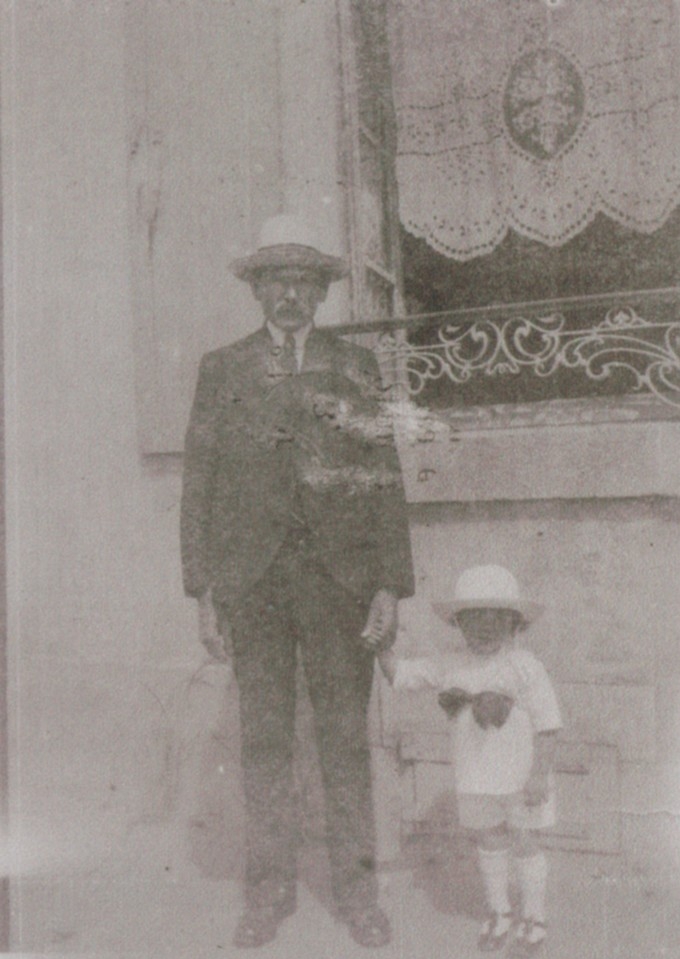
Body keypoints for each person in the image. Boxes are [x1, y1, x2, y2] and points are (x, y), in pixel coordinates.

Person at [180, 214, 414, 948]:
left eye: (303, 281)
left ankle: (359, 896)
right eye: (275, 280)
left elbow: (382, 476)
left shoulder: (354, 365)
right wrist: (203, 591)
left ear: (320, 291)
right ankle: (267, 894)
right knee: (266, 744)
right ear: (256, 289)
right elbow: (201, 483)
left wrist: (387, 585)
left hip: (338, 581)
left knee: (346, 742)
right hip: (253, 584)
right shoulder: (223, 369)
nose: (290, 294)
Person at [378, 565, 562, 957]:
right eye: (474, 618)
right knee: (490, 842)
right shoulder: (449, 663)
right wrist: (381, 646)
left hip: (521, 778)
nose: (484, 627)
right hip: (476, 778)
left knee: (526, 843)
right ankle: (499, 911)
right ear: (458, 623)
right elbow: (401, 675)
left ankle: (535, 915)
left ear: (515, 623)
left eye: (497, 618)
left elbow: (548, 725)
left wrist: (540, 775)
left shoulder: (524, 666)